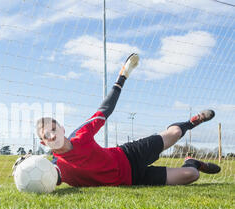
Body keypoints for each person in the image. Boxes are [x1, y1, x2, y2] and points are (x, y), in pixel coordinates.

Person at [35, 53, 221, 187]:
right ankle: (192, 161)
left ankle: (192, 122)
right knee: (192, 174)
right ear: (43, 142)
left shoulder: (81, 134)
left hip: (129, 155)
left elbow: (104, 110)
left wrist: (122, 77)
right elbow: (43, 177)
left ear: (62, 128)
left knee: (175, 133)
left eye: (53, 129)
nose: (52, 135)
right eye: (46, 135)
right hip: (134, 179)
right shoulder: (55, 166)